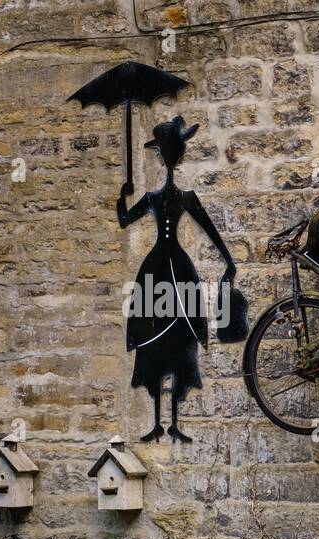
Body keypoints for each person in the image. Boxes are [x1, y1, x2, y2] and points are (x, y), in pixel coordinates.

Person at [116, 115, 240, 442]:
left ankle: (171, 423)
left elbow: (126, 219)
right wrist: (123, 194)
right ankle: (161, 423)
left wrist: (229, 261)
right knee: (155, 341)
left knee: (180, 339)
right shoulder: (160, 198)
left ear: (167, 156)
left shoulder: (182, 198)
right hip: (162, 269)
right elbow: (125, 220)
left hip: (168, 267)